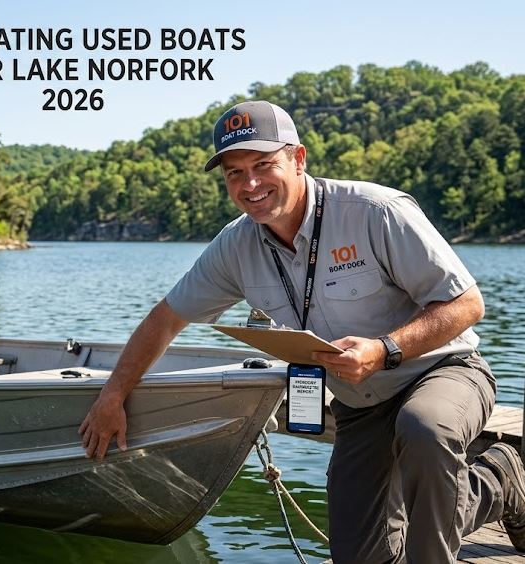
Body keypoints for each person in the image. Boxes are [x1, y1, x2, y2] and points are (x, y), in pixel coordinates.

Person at [78, 100, 525, 562]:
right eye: (234, 173)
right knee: (358, 555)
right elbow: (166, 318)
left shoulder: (375, 211)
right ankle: (498, 480)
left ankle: (471, 507)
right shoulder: (235, 246)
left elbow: (468, 304)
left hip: (442, 371)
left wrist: (384, 348)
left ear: (298, 158)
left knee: (424, 429)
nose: (250, 184)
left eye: (263, 165)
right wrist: (112, 397)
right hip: (361, 403)